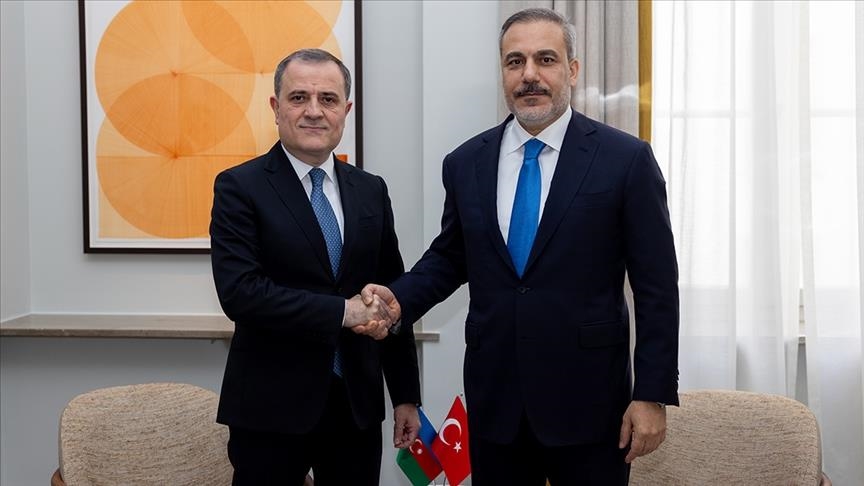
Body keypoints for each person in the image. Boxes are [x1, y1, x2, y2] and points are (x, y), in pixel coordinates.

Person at [362, 8, 679, 485]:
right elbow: (450, 257)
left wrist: (651, 394)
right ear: (503, 73)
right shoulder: (465, 162)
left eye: (545, 59)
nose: (529, 74)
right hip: (497, 402)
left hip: (591, 402)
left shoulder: (625, 159)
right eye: (515, 61)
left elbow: (657, 287)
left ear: (572, 70)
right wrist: (398, 299)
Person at [210, 48, 420, 486]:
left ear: (345, 110)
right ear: (276, 108)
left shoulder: (371, 190)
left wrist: (404, 395)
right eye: (298, 97)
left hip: (356, 408)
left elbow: (391, 295)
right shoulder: (239, 187)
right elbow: (241, 294)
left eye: (327, 99)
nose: (313, 111)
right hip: (270, 410)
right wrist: (344, 312)